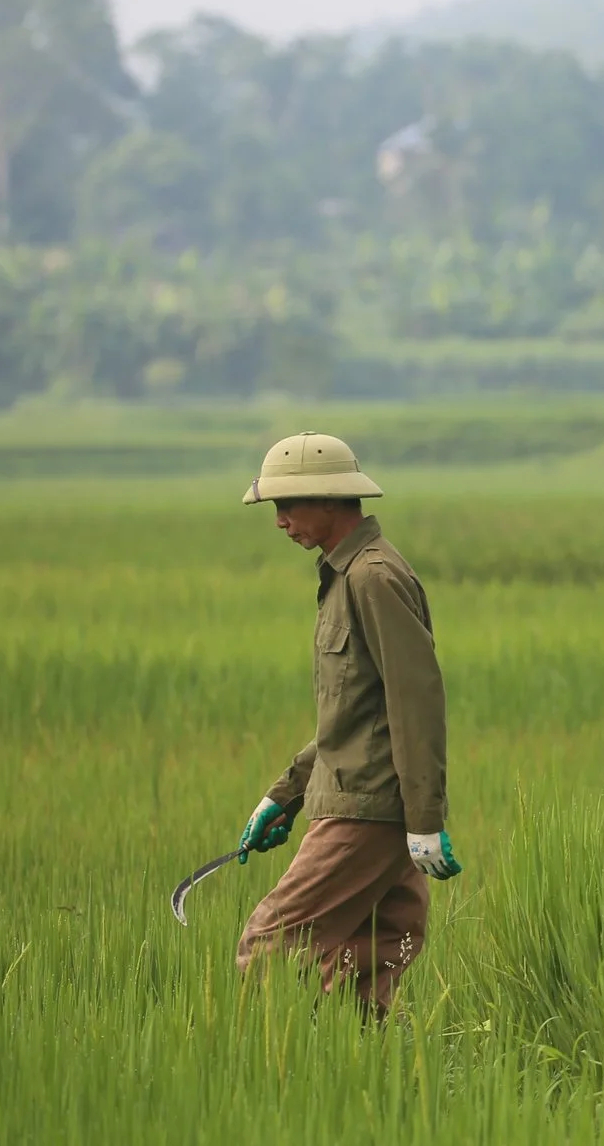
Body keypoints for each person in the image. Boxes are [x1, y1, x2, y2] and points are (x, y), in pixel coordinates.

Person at [230, 431, 461, 1015]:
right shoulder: (346, 575)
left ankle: (266, 1064)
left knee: (269, 946)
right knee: (365, 963)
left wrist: (425, 820)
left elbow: (414, 701)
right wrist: (284, 796)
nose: (280, 521)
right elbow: (355, 714)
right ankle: (370, 1066)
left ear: (331, 499)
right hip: (357, 798)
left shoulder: (372, 577)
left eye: (288, 504)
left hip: (368, 805)